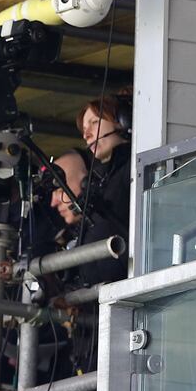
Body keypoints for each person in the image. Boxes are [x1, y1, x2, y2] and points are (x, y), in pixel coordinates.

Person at [75, 95, 132, 286]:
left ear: (123, 121)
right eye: (84, 129)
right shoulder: (98, 180)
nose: (87, 135)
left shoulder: (134, 168)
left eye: (94, 123)